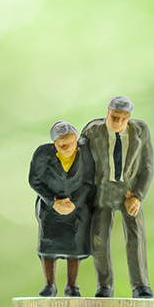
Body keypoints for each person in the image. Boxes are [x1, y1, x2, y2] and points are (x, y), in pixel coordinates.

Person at [81, 95, 154, 298]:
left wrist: (138, 196)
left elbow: (147, 167)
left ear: (129, 117)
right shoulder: (92, 130)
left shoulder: (141, 131)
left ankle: (140, 285)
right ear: (108, 112)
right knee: (99, 238)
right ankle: (104, 286)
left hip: (129, 191)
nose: (117, 122)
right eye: (114, 116)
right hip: (102, 190)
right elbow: (82, 163)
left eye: (123, 118)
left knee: (136, 236)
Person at [28, 120, 96, 297]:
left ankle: (72, 285)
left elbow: (89, 181)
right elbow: (34, 180)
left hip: (76, 208)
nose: (67, 147)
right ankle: (49, 284)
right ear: (54, 144)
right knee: (48, 246)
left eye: (71, 142)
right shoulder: (43, 154)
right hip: (50, 208)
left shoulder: (85, 153)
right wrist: (53, 201)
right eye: (61, 144)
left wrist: (75, 202)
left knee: (74, 245)